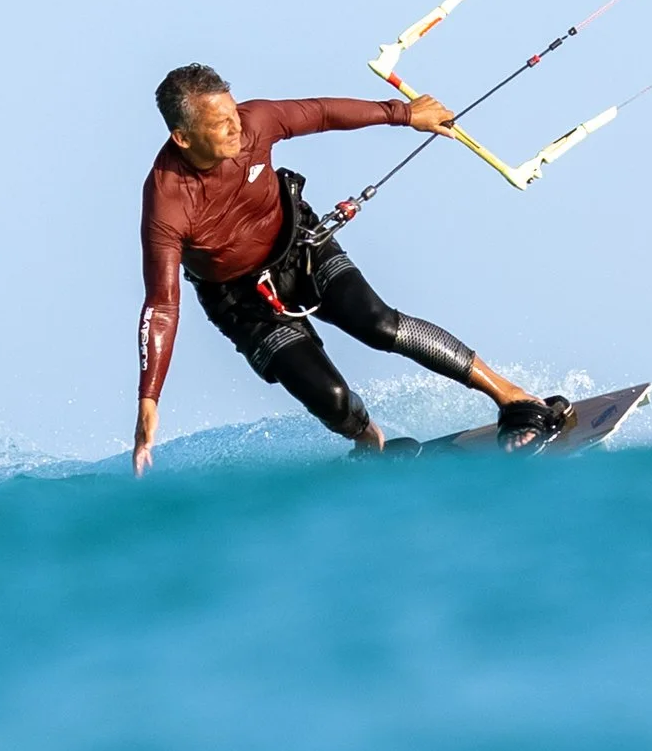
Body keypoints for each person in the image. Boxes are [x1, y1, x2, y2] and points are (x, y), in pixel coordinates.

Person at [133, 63, 571, 471]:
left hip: (300, 250)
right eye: (220, 122)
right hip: (240, 299)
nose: (236, 126)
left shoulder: (256, 122)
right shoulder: (167, 203)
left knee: (378, 323)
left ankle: (512, 398)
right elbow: (162, 305)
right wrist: (149, 396)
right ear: (183, 138)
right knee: (332, 397)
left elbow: (321, 113)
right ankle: (371, 447)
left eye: (234, 111)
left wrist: (403, 114)